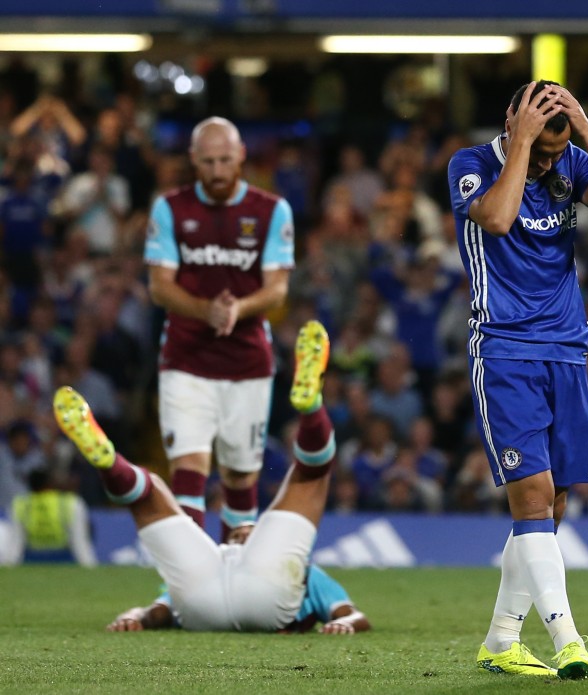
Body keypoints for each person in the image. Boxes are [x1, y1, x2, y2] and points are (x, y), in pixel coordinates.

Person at [447, 79, 588, 678]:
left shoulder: (570, 157)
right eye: (545, 149)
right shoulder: (471, 164)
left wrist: (583, 131)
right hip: (504, 350)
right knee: (531, 497)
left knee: (552, 504)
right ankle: (568, 641)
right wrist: (525, 144)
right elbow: (498, 220)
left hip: (567, 351)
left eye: (559, 153)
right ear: (512, 120)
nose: (554, 163)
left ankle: (501, 640)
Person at [54, 320, 370, 635]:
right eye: (244, 529)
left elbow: (158, 610)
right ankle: (311, 407)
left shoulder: (221, 555)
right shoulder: (302, 571)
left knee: (150, 494)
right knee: (310, 476)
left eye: (249, 529)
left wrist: (139, 616)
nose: (245, 532)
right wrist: (136, 618)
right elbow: (155, 610)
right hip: (261, 595)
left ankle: (110, 464)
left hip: (201, 603)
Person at [144, 116, 294, 541]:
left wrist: (238, 308)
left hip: (247, 361)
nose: (216, 171)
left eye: (225, 160)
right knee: (188, 470)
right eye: (207, 162)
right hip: (185, 359)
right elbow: (159, 286)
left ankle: (233, 573)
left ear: (241, 156)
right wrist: (204, 309)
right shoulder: (170, 208)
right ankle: (191, 585)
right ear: (193, 159)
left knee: (240, 477)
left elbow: (277, 290)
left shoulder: (270, 211)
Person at [10, 469, 97, 566]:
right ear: (50, 484)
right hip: (64, 560)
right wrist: (90, 567)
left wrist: (9, 568)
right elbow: (80, 542)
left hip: (32, 561)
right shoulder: (71, 503)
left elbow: (16, 543)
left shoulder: (21, 504)